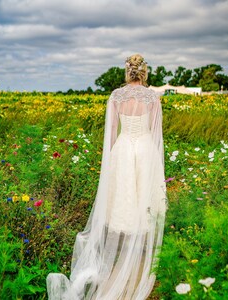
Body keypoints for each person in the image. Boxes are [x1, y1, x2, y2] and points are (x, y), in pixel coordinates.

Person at [47, 54, 167, 300]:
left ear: (128, 72)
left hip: (122, 149)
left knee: (123, 197)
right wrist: (154, 159)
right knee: (143, 197)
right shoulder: (152, 97)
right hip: (145, 148)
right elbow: (156, 133)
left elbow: (111, 132)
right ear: (144, 72)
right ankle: (139, 252)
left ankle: (124, 250)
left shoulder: (116, 96)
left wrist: (111, 159)